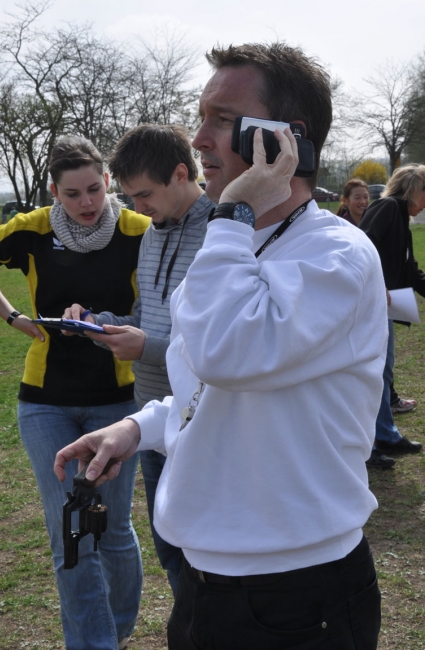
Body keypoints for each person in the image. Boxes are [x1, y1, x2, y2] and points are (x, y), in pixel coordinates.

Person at [55, 43, 387, 650]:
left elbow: (228, 355)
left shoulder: (335, 253)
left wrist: (232, 212)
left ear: (284, 142)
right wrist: (138, 428)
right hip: (209, 580)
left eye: (223, 120)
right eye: (200, 116)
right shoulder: (236, 249)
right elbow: (202, 386)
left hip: (296, 591)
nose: (199, 139)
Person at [0, 135, 151, 650]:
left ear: (108, 182)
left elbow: (162, 308)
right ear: (54, 194)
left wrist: (111, 327)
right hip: (45, 400)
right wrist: (14, 316)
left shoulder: (138, 231)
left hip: (118, 400)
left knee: (113, 528)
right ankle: (95, 643)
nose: (86, 203)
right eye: (72, 194)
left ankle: (119, 627)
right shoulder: (31, 229)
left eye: (94, 189)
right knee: (71, 528)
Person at [64, 124, 214, 595]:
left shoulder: (223, 232)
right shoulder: (152, 234)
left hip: (202, 417)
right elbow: (147, 317)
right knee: (169, 546)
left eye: (144, 194)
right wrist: (100, 324)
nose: (138, 207)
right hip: (149, 412)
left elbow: (219, 345)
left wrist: (144, 345)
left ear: (181, 173)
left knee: (204, 552)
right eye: (128, 197)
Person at [360, 164, 425, 469]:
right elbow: (362, 245)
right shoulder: (387, 207)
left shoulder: (402, 217)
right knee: (372, 374)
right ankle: (366, 445)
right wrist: (377, 284)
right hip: (369, 304)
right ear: (415, 189)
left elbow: (410, 270)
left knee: (383, 372)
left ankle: (385, 434)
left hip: (383, 306)